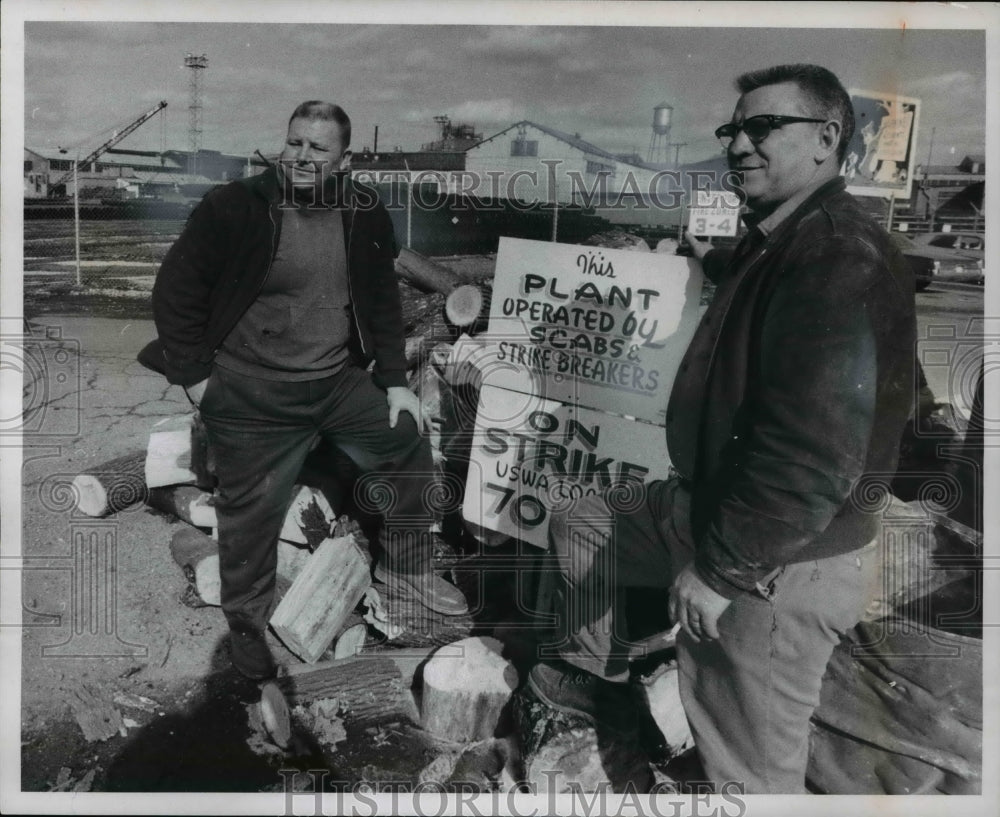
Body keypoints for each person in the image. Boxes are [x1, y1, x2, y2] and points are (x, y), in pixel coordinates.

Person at [527, 65, 916, 792]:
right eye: (732, 129)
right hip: (710, 507)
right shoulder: (784, 239)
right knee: (583, 522)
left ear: (827, 139)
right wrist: (705, 259)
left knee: (749, 771)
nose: (739, 144)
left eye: (763, 127)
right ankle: (613, 688)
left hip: (780, 554)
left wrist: (720, 571)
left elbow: (812, 451)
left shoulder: (835, 254)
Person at [138, 101, 468, 681]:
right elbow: (176, 291)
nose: (302, 157)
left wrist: (393, 383)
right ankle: (246, 633)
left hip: (337, 383)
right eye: (294, 143)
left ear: (344, 158)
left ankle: (406, 569)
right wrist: (195, 377)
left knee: (406, 445)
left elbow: (383, 303)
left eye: (318, 148)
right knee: (249, 518)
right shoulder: (236, 207)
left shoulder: (362, 211)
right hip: (253, 389)